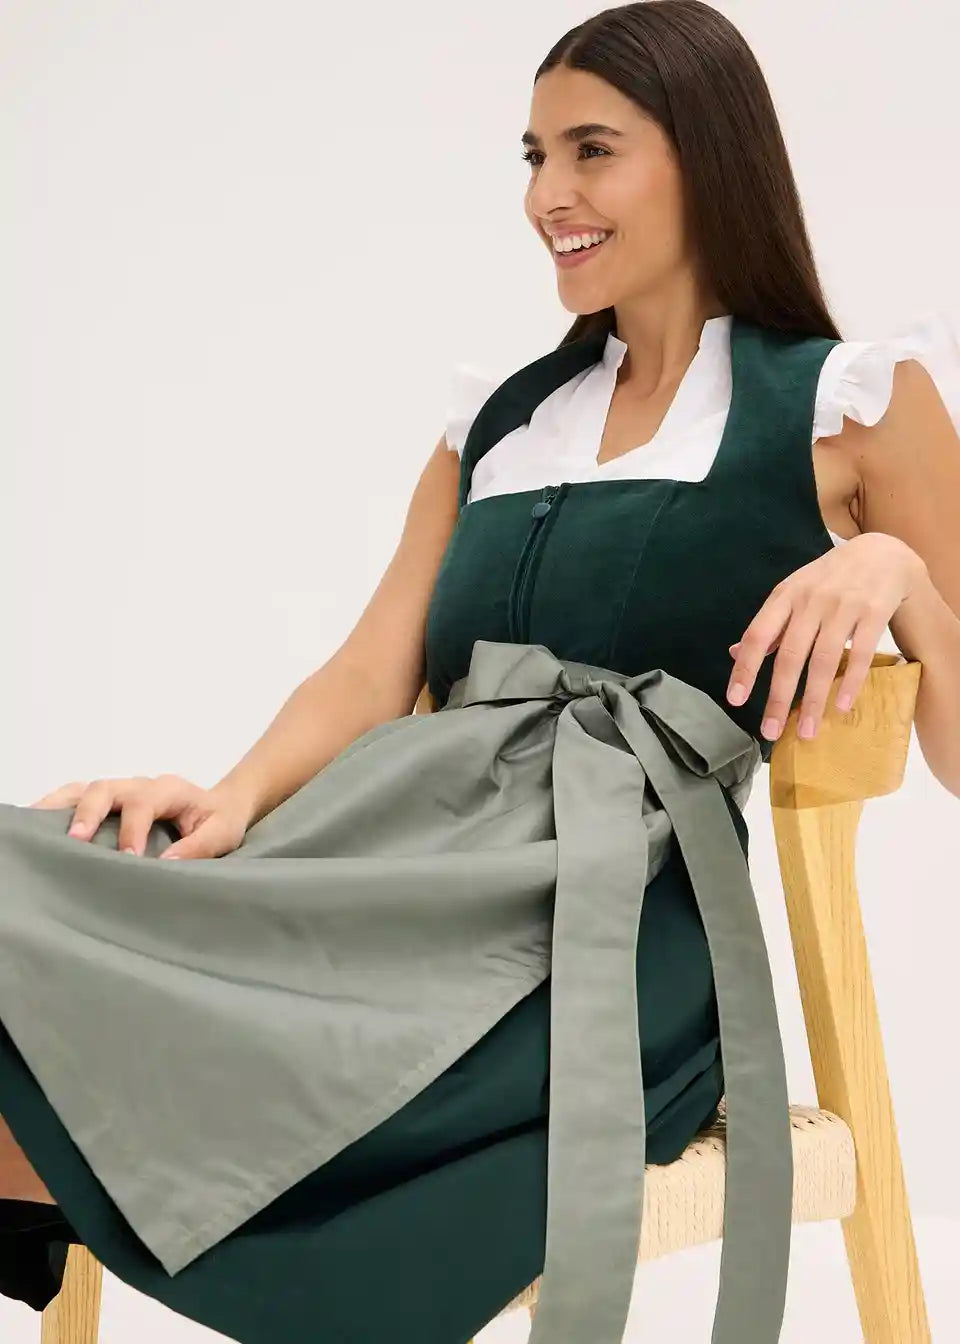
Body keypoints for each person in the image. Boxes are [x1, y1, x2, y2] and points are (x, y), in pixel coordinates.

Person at [2, 2, 959, 1341]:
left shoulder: (852, 400)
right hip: (382, 870)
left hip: (594, 942)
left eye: (591, 151)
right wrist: (227, 799)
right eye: (533, 156)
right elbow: (369, 670)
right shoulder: (500, 424)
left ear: (707, 157)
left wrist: (900, 575)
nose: (547, 196)